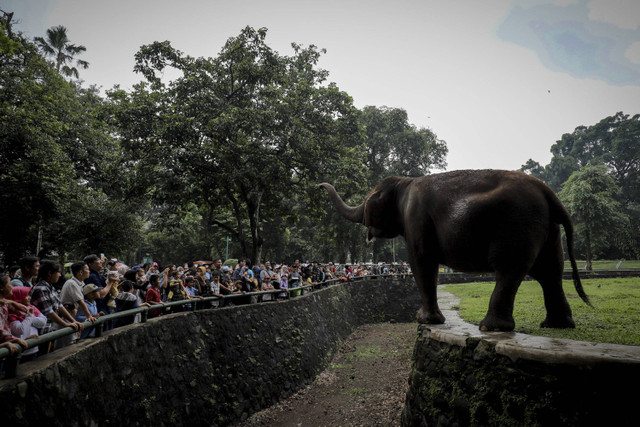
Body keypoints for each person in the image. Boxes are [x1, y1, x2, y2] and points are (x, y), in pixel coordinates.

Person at [30, 260, 84, 351]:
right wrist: (66, 324)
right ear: (50, 273)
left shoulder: (50, 287)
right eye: (58, 272)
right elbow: (49, 312)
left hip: (50, 330)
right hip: (41, 332)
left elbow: (60, 306)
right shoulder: (41, 289)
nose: (60, 275)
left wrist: (73, 321)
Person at [8, 286, 47, 360]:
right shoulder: (11, 312)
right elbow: (20, 330)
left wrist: (27, 316)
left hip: (33, 348)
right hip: (20, 351)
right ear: (18, 297)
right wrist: (29, 316)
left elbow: (43, 321)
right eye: (26, 296)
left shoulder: (31, 308)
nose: (29, 298)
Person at [0, 274, 29, 356]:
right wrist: (15, 339)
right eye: (9, 284)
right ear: (1, 287)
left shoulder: (5, 303)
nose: (12, 287)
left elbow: (25, 311)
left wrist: (12, 302)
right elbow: (1, 331)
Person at [60, 261, 97, 325]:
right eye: (87, 269)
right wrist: (89, 316)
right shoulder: (72, 283)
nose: (89, 271)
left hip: (72, 316)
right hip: (66, 318)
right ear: (81, 272)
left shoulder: (81, 283)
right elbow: (81, 302)